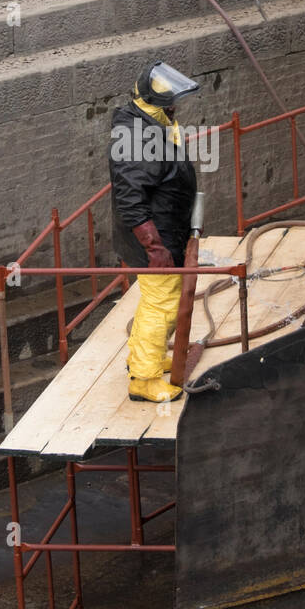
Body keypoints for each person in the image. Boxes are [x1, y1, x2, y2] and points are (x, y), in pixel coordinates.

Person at [109, 59, 199, 403]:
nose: (176, 108)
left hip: (164, 231)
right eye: (171, 102)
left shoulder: (148, 121)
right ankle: (143, 380)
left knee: (158, 300)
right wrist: (155, 248)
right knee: (161, 303)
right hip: (155, 239)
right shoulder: (137, 137)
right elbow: (131, 199)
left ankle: (143, 357)